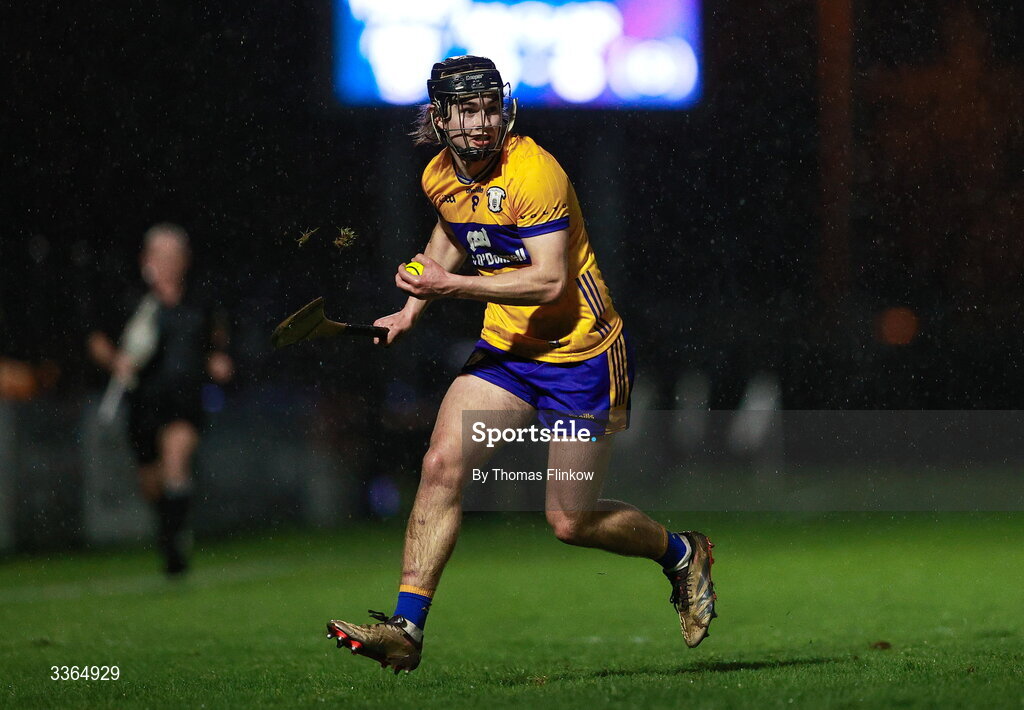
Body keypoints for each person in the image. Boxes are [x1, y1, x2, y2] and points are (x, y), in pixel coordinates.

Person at [326, 56, 715, 672]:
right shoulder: (438, 175)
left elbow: (551, 281)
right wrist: (409, 309)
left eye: (488, 108)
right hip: (508, 353)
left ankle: (682, 555)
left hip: (581, 355)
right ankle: (407, 628)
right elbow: (450, 233)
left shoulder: (535, 171)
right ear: (439, 117)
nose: (481, 123)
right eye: (467, 110)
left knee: (570, 519)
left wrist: (448, 288)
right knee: (440, 464)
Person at [88, 223, 232, 576]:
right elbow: (98, 340)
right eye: (160, 256)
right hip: (143, 402)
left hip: (185, 400)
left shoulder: (200, 300)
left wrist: (218, 358)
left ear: (185, 260)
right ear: (146, 259)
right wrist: (115, 361)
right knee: (152, 482)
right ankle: (171, 532)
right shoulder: (132, 301)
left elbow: (217, 339)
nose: (168, 263)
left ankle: (175, 550)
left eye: (174, 257)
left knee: (176, 462)